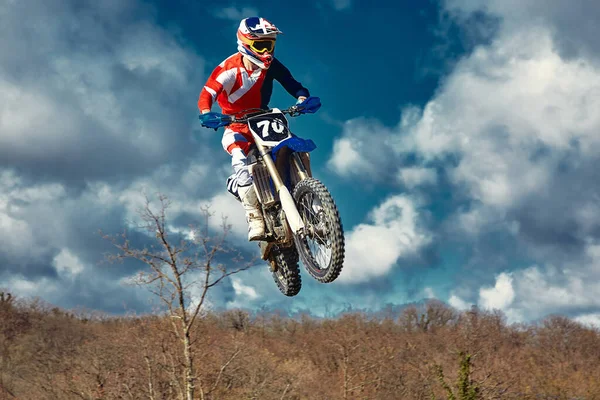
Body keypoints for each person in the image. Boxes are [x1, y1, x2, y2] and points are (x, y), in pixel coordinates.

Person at [198, 17, 310, 241]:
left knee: (298, 147)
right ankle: (255, 217)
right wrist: (206, 113)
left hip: (263, 117)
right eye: (261, 45)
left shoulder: (273, 66)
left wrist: (303, 98)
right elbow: (207, 93)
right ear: (246, 43)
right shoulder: (228, 69)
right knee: (239, 161)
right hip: (235, 123)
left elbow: (292, 83)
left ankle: (310, 199)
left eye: (270, 45)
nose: (267, 51)